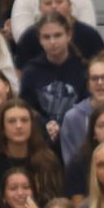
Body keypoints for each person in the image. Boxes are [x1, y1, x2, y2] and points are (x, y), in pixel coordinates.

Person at [19, 11, 88, 148]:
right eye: (46, 37)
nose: (52, 42)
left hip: (77, 138)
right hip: (40, 141)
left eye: (57, 35)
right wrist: (45, 124)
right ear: (39, 39)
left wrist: (64, 125)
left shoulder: (83, 69)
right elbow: (26, 107)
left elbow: (88, 105)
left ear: (68, 35)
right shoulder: (31, 71)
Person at [0, 98, 63, 207]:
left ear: (32, 124)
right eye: (12, 121)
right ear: (2, 127)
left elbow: (55, 204)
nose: (19, 126)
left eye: (24, 120)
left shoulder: (48, 160)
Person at [13, 0, 104, 73]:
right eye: (48, 3)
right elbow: (20, 73)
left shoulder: (89, 35)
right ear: (40, 9)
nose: (54, 6)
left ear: (70, 6)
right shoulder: (29, 36)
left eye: (59, 2)